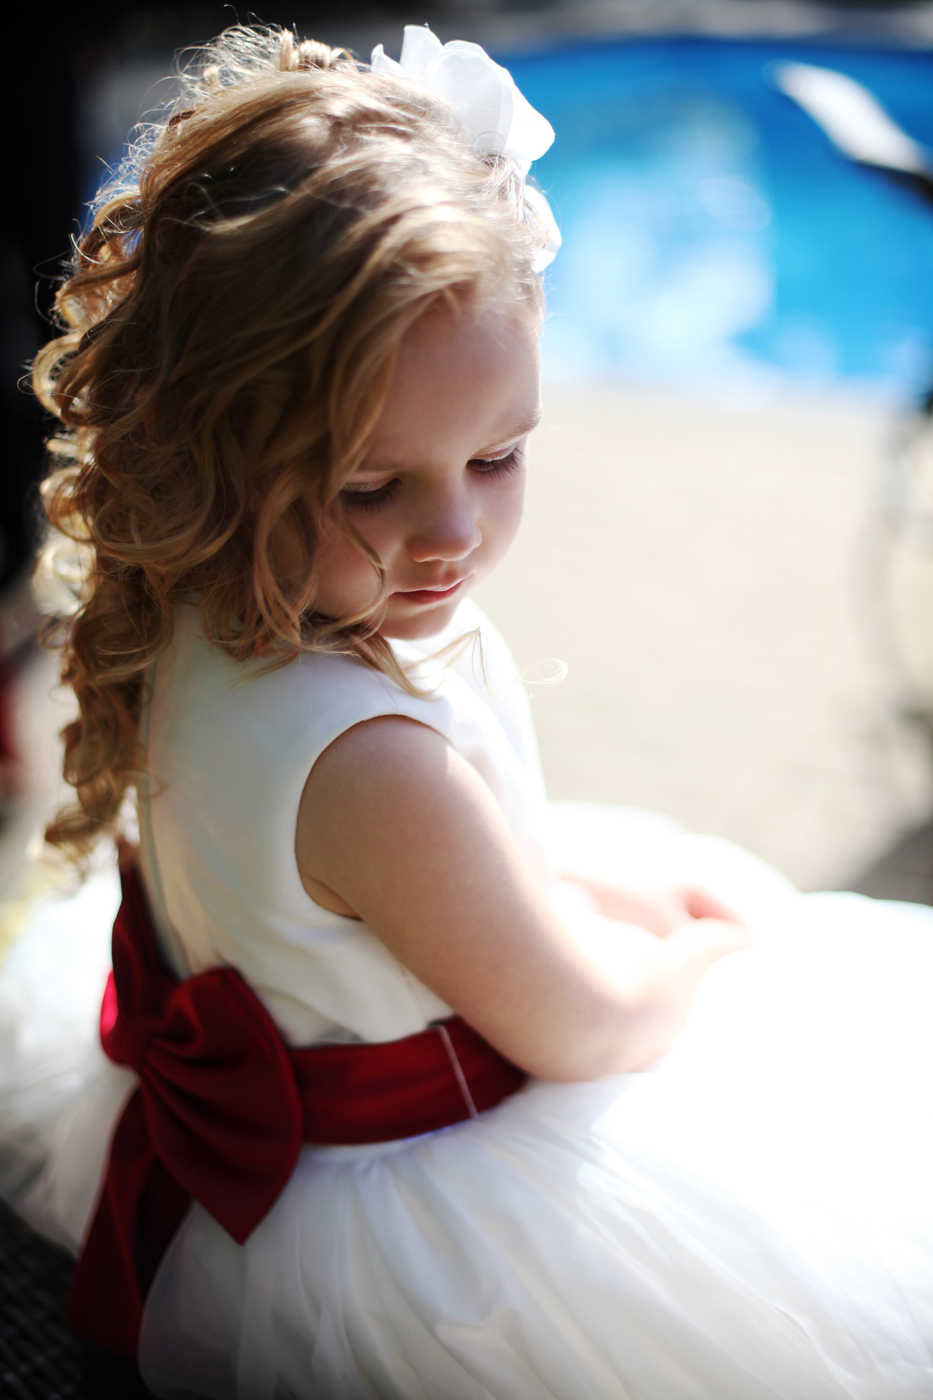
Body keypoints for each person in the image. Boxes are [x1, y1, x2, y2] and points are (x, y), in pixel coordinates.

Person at [1, 22, 932, 1400]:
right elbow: (583, 1030)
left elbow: (413, 887)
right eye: (372, 487)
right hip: (411, 1208)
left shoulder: (196, 596)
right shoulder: (372, 764)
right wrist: (693, 965)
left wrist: (594, 889)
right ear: (222, 441)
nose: (450, 534)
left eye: (497, 456)